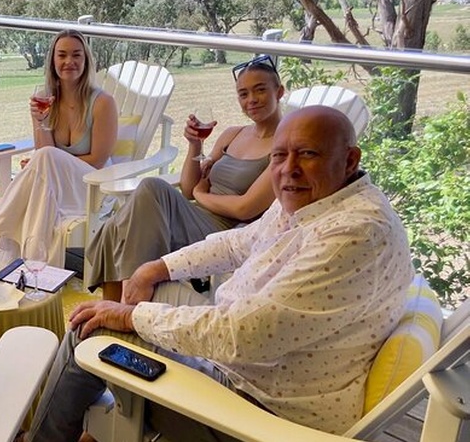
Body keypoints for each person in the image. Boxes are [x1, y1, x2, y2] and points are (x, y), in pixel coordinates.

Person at [27, 106, 414, 441]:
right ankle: (99, 424)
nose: (289, 169)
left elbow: (244, 334)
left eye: (308, 154)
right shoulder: (318, 199)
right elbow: (236, 244)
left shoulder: (355, 233)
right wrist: (157, 267)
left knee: (89, 329)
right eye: (279, 156)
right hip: (252, 365)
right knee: (142, 298)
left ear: (350, 160)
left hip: (255, 409)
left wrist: (130, 317)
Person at [86, 55, 283, 300]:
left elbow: (244, 208)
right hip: (193, 215)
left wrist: (202, 194)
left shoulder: (283, 147)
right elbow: (189, 189)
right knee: (119, 225)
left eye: (260, 90)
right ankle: (115, 308)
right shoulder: (232, 135)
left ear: (279, 91)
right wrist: (195, 145)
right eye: (243, 94)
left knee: (149, 190)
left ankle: (128, 303)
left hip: (226, 231)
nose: (251, 99)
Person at [0, 30, 118, 268]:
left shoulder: (103, 103)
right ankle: (34, 269)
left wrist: (49, 161)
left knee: (43, 159)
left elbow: (97, 160)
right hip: (55, 185)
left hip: (92, 189)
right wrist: (42, 124)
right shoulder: (43, 100)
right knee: (40, 186)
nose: (69, 62)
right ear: (53, 61)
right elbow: (45, 151)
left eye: (76, 55)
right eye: (62, 55)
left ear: (86, 61)